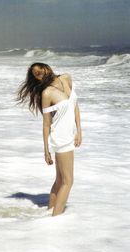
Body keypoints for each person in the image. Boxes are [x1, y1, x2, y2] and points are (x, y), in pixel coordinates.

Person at [16, 62, 82, 216]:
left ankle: (49, 213)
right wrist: (46, 150)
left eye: (41, 69)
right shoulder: (47, 93)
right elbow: (46, 124)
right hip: (61, 138)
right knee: (68, 181)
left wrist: (79, 131)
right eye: (36, 74)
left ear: (48, 67)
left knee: (60, 181)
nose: (40, 73)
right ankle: (55, 219)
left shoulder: (66, 78)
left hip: (70, 135)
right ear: (36, 79)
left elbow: (75, 105)